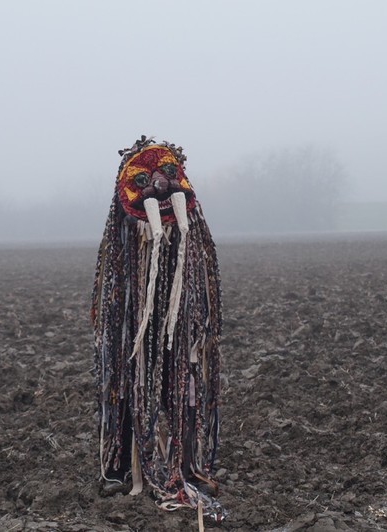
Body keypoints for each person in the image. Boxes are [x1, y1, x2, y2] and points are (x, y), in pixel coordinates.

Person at [91, 136, 225, 520]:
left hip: (181, 324)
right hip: (133, 325)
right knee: (132, 385)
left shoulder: (190, 227)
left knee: (184, 385)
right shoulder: (124, 232)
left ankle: (186, 468)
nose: (159, 183)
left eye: (167, 173)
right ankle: (122, 467)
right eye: (144, 178)